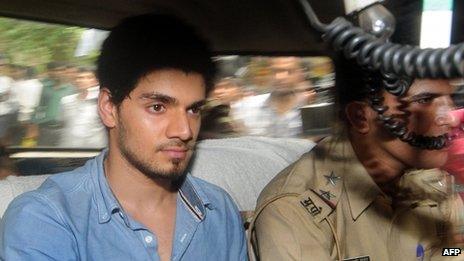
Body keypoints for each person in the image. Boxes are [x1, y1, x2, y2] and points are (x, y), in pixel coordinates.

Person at [0, 14, 247, 260]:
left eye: (193, 109)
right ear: (109, 108)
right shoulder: (47, 219)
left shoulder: (219, 211)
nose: (184, 131)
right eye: (158, 107)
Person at [249, 56, 464, 260]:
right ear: (361, 117)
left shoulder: (434, 185)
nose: (450, 119)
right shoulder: (293, 211)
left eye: (449, 99)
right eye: (425, 100)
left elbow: (450, 253)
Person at [239, 57, 314, 138]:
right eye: (274, 71)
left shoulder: (309, 108)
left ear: (300, 74)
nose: (280, 77)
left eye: (289, 71)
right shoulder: (247, 107)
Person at [59, 66, 107, 148]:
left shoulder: (103, 103)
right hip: (68, 150)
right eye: (79, 78)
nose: (82, 80)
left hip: (93, 152)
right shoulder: (66, 101)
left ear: (95, 81)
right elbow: (64, 125)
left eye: (88, 77)